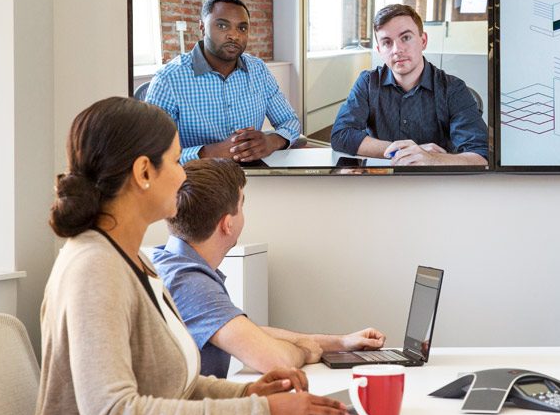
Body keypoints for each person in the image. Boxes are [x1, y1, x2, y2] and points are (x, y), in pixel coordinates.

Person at [22, 97, 348, 415]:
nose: (182, 175)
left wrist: (247, 397)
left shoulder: (132, 260)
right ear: (144, 171)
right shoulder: (95, 267)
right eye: (176, 161)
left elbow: (169, 389)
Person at [152, 158, 387, 378]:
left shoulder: (170, 263)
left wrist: (341, 343)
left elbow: (243, 332)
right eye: (242, 206)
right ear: (227, 224)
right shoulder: (190, 283)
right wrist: (304, 351)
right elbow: (276, 361)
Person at [145, 0, 301, 165]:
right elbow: (152, 155)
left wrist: (272, 141)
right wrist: (208, 152)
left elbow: (290, 121)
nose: (234, 36)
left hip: (253, 172)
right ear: (202, 27)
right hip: (196, 179)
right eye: (222, 25)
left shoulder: (259, 70)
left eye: (242, 28)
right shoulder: (167, 79)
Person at [330, 3, 488, 166]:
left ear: (423, 40)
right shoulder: (368, 82)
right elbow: (341, 135)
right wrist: (408, 152)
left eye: (406, 38)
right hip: (382, 180)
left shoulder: (453, 89)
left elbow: (480, 155)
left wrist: (432, 159)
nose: (397, 49)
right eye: (387, 42)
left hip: (435, 181)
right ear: (379, 50)